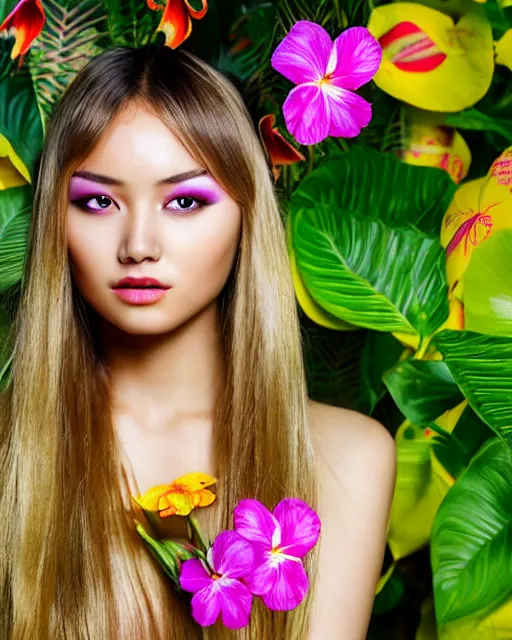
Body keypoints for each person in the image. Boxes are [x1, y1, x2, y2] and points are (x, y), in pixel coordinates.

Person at [0, 44, 396, 639]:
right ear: (56, 218)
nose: (138, 244)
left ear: (246, 214)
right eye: (98, 201)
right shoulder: (13, 453)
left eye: (184, 201)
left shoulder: (347, 457)